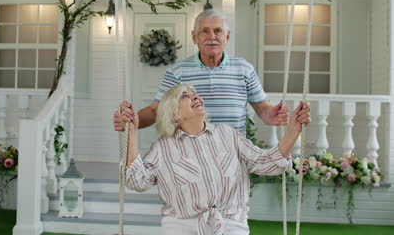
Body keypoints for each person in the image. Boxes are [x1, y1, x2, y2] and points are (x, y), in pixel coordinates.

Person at [122, 84, 311, 235]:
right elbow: (136, 181)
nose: (195, 96)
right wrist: (132, 133)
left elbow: (267, 163)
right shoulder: (163, 148)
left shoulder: (228, 135)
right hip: (181, 227)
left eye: (195, 93)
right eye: (185, 96)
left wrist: (293, 131)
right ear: (174, 114)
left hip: (230, 224)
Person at [114, 9, 289, 134]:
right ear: (194, 37)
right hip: (191, 158)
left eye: (218, 31)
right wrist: (132, 121)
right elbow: (155, 111)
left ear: (227, 37)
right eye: (204, 31)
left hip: (234, 157)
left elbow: (263, 108)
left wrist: (271, 115)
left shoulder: (244, 69)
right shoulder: (178, 72)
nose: (211, 37)